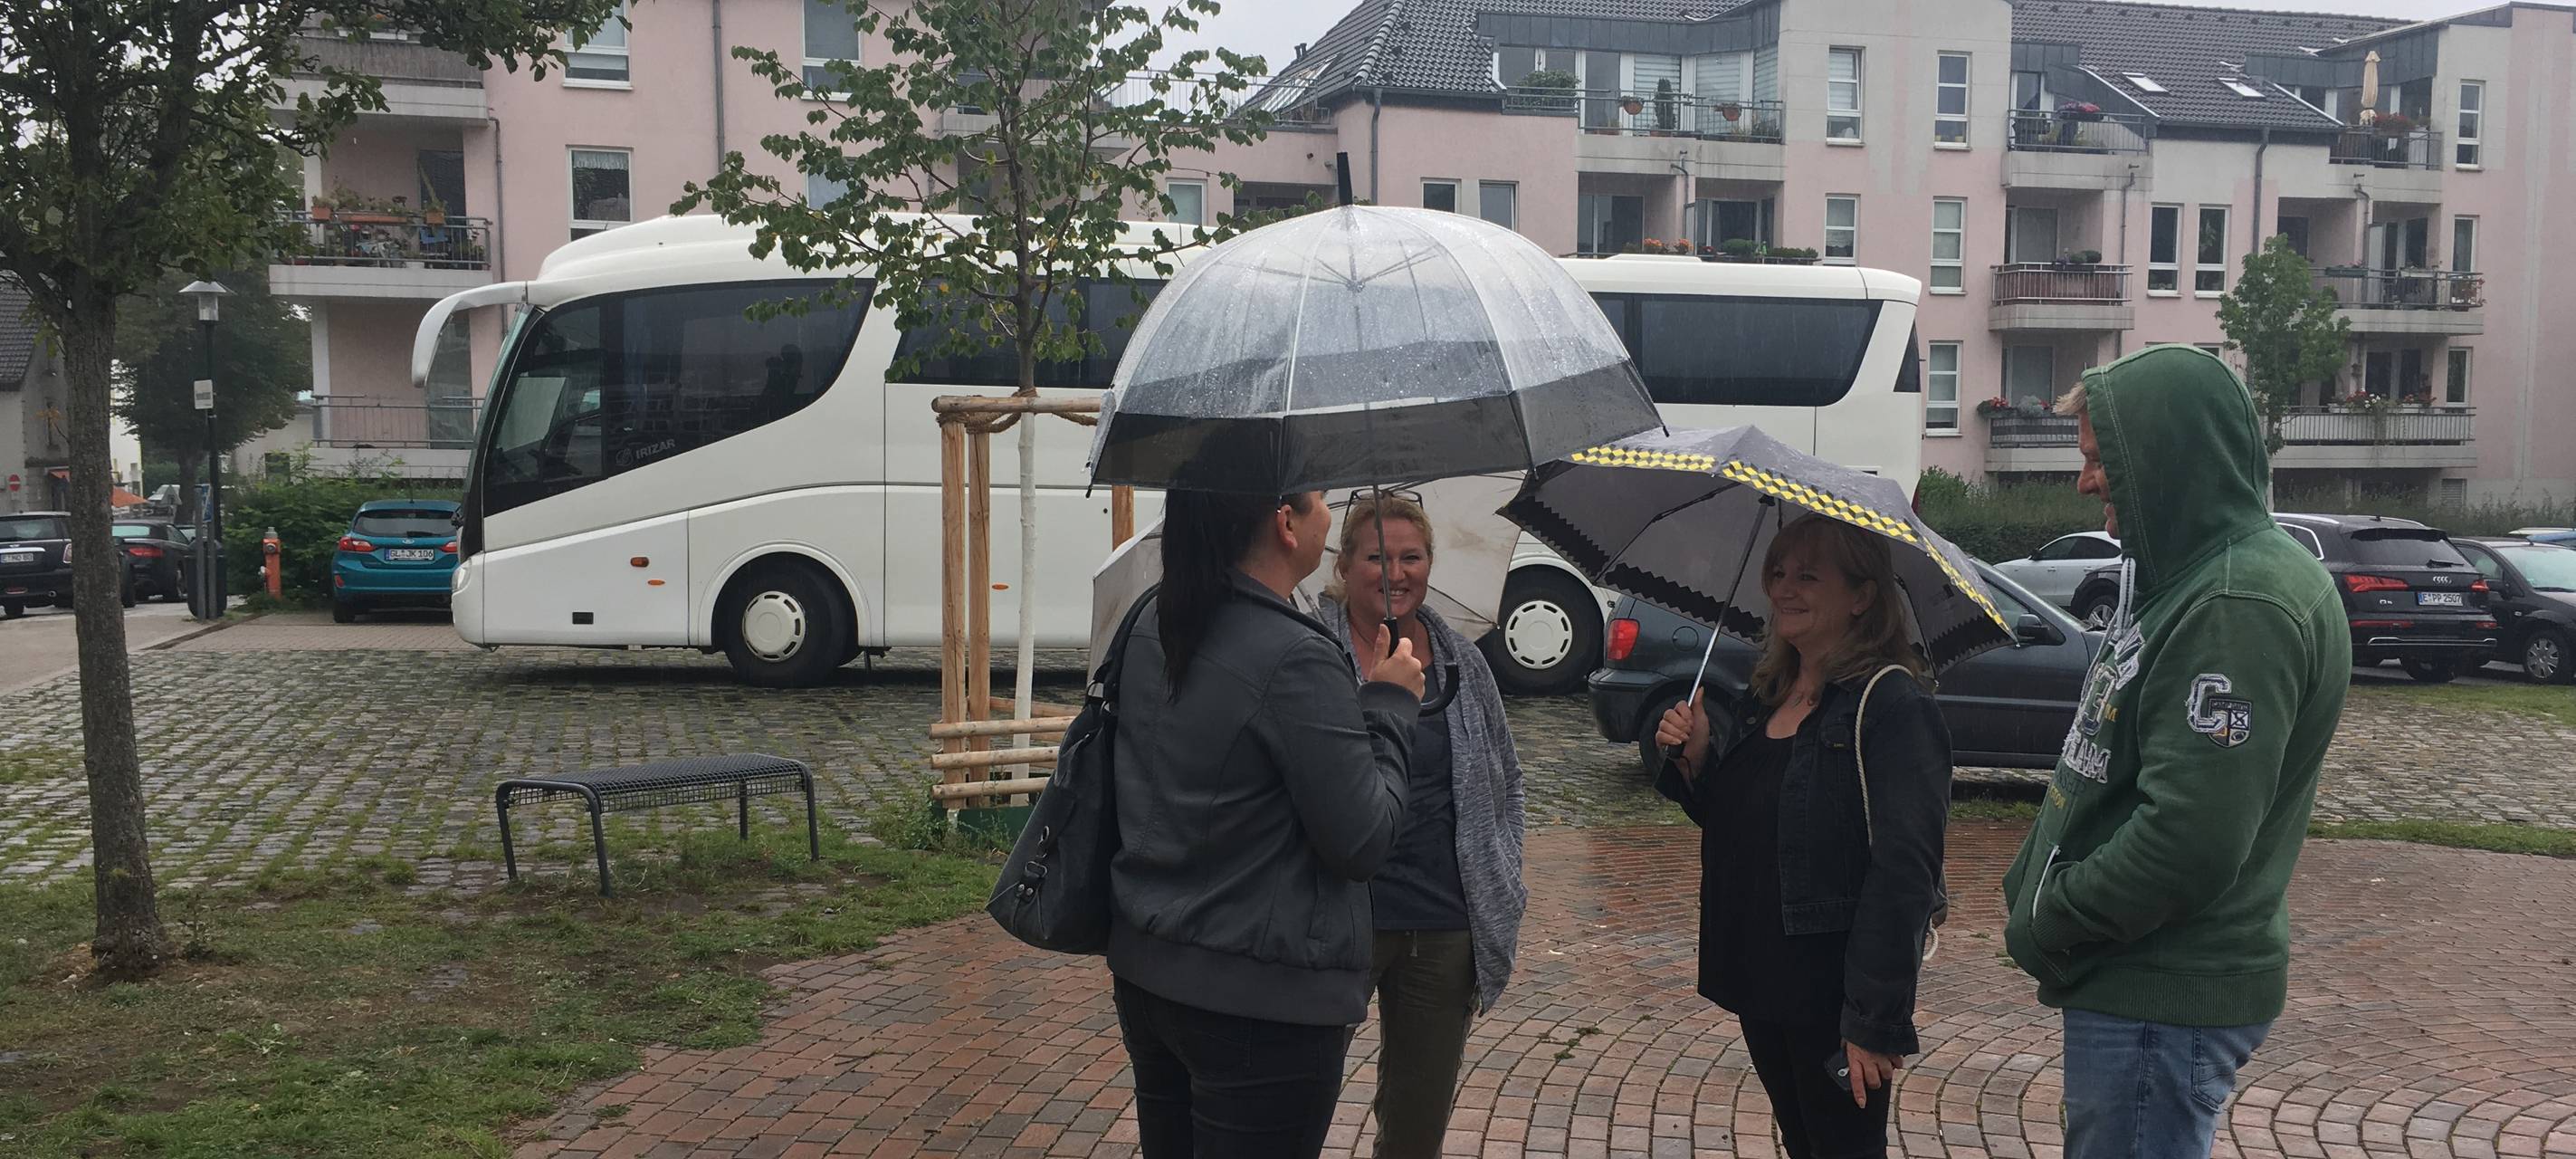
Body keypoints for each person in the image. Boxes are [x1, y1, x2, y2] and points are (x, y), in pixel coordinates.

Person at [2001, 346, 2349, 1159]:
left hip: (2159, 994)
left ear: (2166, 456)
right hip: (2141, 987)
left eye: (2100, 461)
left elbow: (2188, 841)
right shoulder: (2192, 576)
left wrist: (2053, 916)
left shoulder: (2238, 603)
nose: (2086, 482)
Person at [1107, 484, 1427, 1159]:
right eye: (1318, 500)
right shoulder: (1294, 655)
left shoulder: (1150, 618)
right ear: (1286, 523)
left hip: (1149, 971)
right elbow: (1363, 839)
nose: (1328, 515)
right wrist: (1392, 708)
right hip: (1258, 999)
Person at [1652, 515, 1953, 1159]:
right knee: (1805, 1143)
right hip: (1762, 978)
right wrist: (1698, 759)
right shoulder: (1774, 694)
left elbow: (1906, 871)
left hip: (1830, 995)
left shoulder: (1892, 705)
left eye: (1809, 576)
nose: (1785, 588)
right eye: (1779, 572)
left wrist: (1874, 1020)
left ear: (1862, 597)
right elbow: (1753, 825)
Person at [1312, 493, 1527, 1159]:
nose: (1396, 572)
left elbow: (1507, 778)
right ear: (1345, 565)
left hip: (1443, 924)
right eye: (1377, 556)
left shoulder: (1464, 659)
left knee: (1416, 1126)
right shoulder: (1311, 657)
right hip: (1339, 921)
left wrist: (1503, 875)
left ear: (1431, 563)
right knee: (1296, 1101)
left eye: (1412, 556)